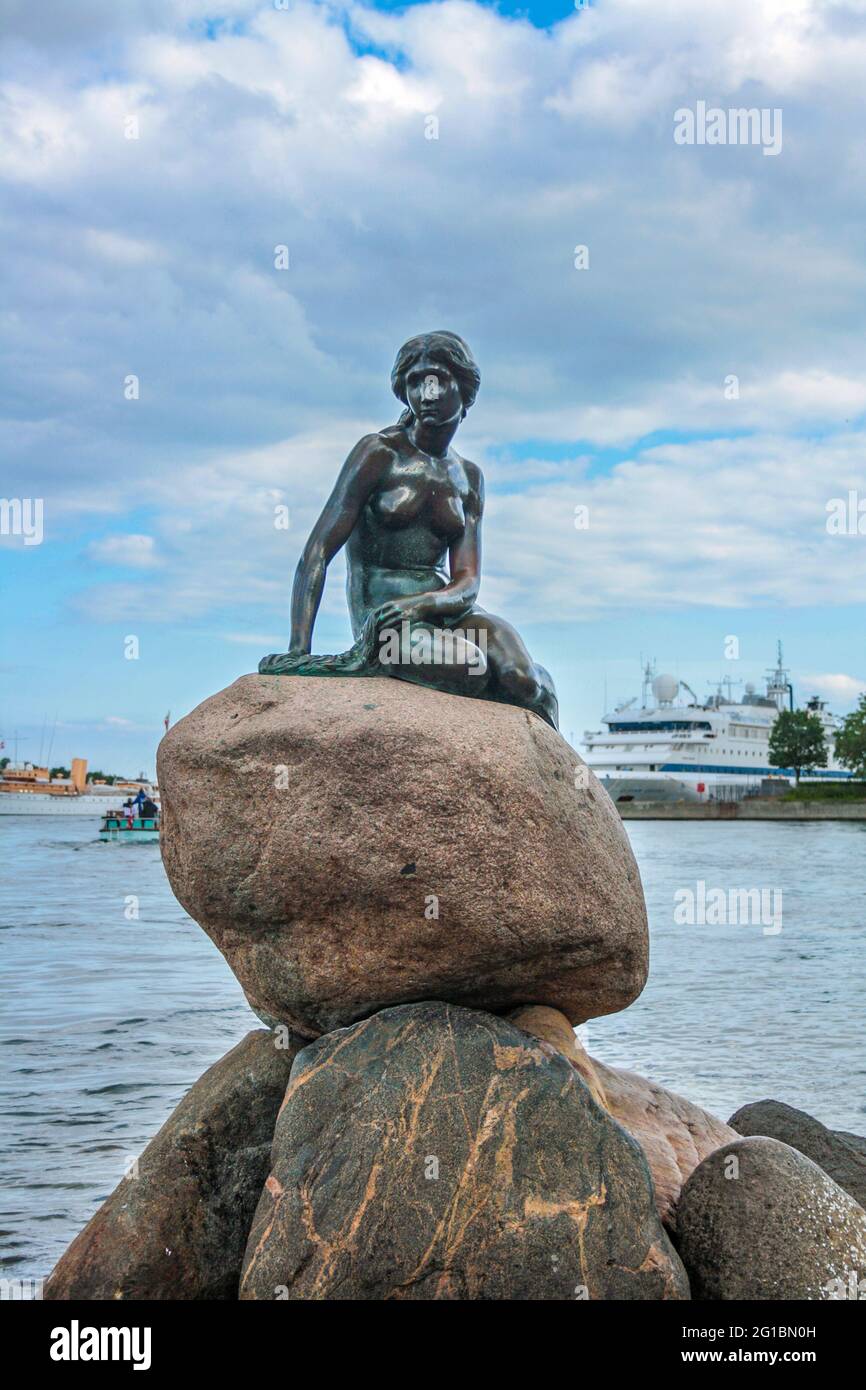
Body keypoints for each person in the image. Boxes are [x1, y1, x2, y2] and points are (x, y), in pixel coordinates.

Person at [259, 331, 558, 729]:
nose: (427, 393)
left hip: (448, 614)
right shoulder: (379, 453)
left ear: (464, 389)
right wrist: (299, 650)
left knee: (523, 679)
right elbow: (316, 553)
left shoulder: (469, 477)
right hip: (386, 625)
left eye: (437, 380)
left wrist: (421, 605)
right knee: (471, 667)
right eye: (416, 382)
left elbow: (467, 581)